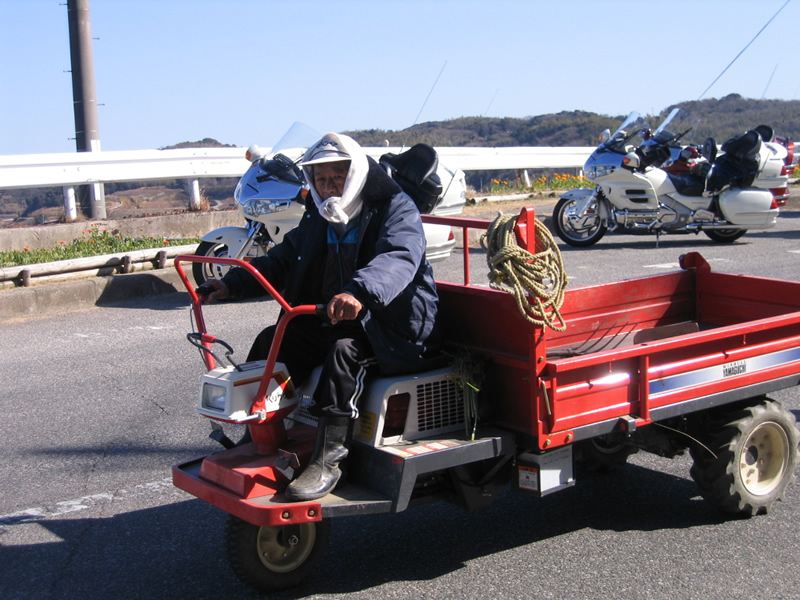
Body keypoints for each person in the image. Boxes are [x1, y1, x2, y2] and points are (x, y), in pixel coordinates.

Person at [199, 132, 440, 501]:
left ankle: (328, 458)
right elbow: (283, 259)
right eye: (321, 179)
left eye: (337, 178)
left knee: (344, 353)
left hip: (390, 324)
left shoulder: (395, 207)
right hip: (334, 316)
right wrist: (232, 284)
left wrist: (359, 292)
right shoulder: (321, 214)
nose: (328, 187)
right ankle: (259, 434)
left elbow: (398, 256)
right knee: (274, 339)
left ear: (355, 174)